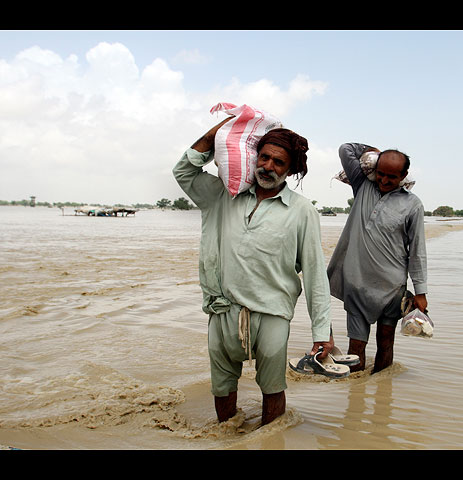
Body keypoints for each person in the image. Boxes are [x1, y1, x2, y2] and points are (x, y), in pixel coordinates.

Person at [173, 117, 333, 425]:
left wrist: (321, 333)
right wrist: (214, 134)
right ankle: (226, 435)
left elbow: (314, 275)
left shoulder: (302, 211)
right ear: (254, 157)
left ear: (291, 170)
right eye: (264, 157)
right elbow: (183, 171)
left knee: (273, 388)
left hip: (272, 312)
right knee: (221, 387)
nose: (268, 166)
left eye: (278, 162)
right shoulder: (223, 194)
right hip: (223, 308)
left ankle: (270, 436)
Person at [327, 142, 428, 373]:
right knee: (356, 348)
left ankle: (383, 394)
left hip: (392, 289)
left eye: (392, 176)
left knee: (385, 343)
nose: (384, 180)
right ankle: (356, 399)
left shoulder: (412, 204)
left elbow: (417, 251)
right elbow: (345, 149)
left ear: (403, 176)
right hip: (357, 284)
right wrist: (375, 151)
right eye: (380, 173)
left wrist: (420, 292)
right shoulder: (362, 186)